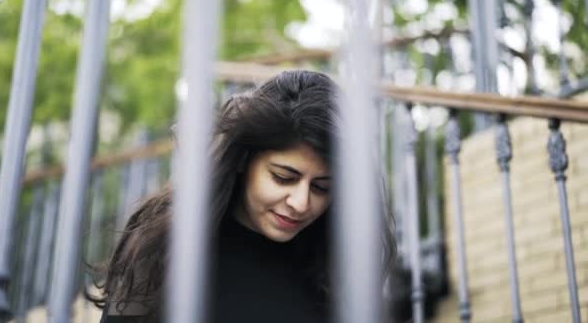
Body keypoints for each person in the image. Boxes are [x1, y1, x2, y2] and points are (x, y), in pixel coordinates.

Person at [89, 70, 396, 322]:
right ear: (242, 161)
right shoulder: (164, 241)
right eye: (283, 177)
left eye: (322, 187)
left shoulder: (337, 265)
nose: (301, 203)